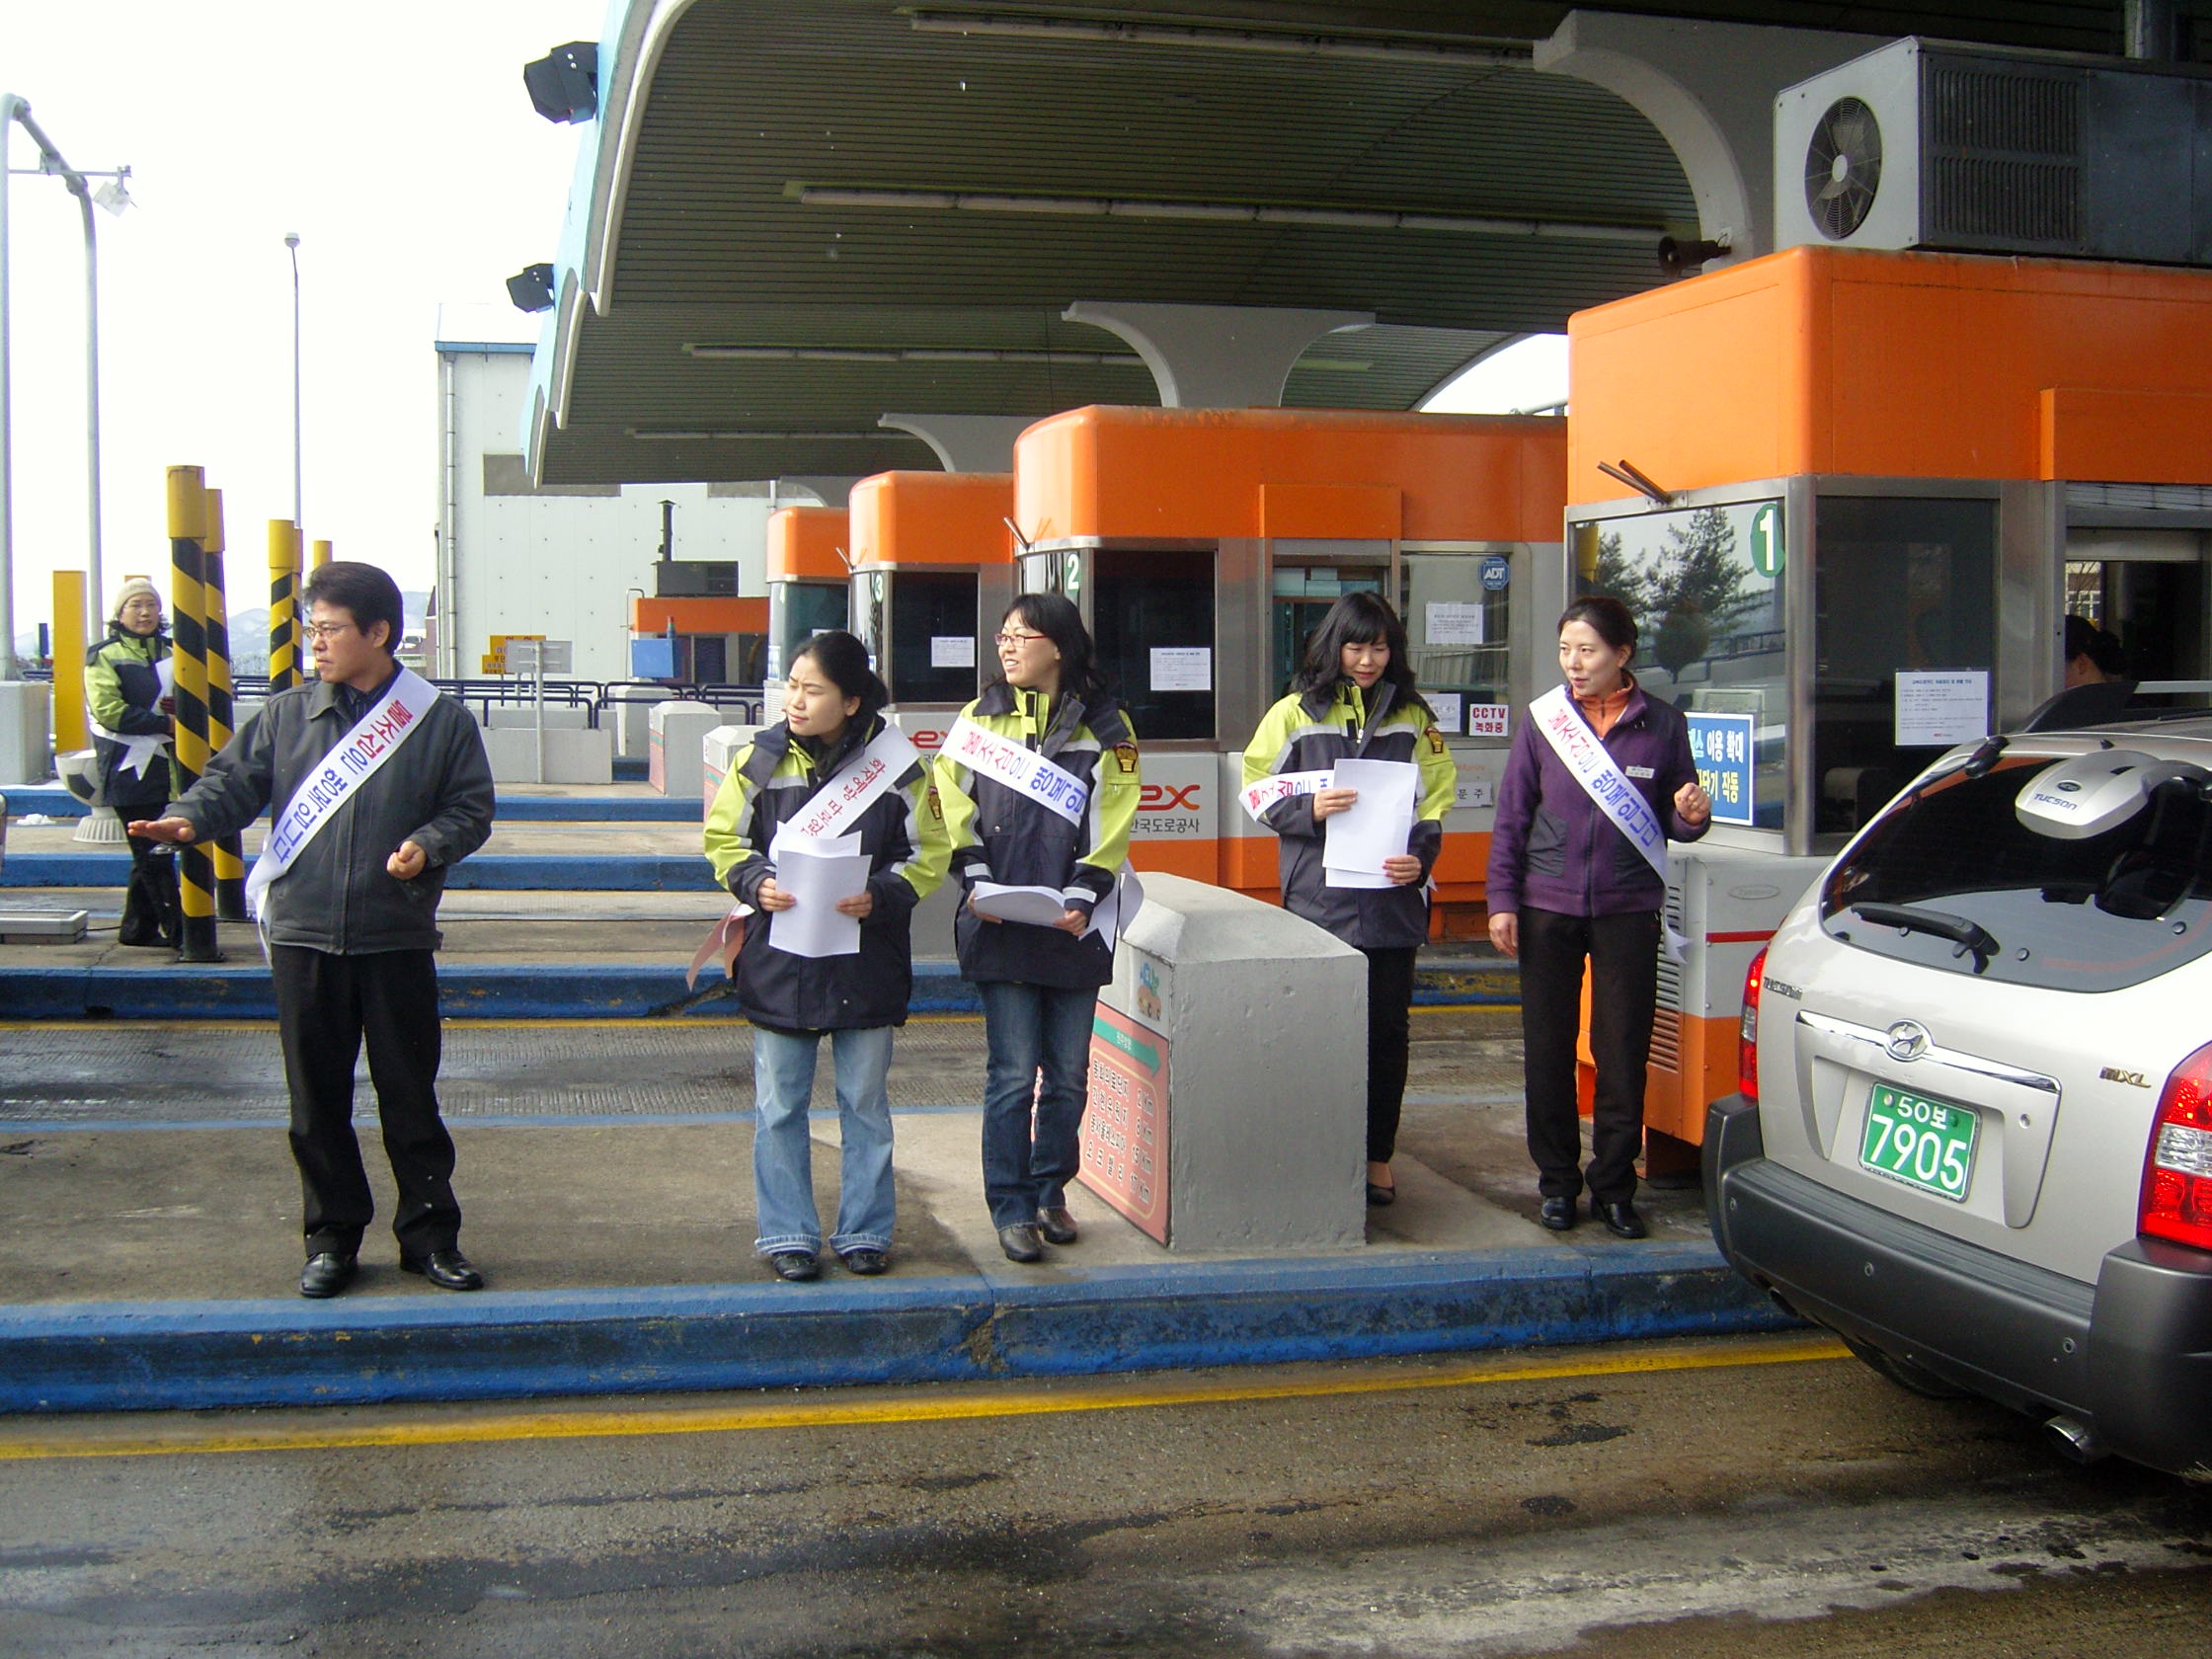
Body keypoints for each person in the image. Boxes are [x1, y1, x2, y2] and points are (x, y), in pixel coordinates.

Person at [131, 561, 495, 1299]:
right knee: (316, 1102)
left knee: (410, 1097)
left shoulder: (440, 721)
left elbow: (470, 808)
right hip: (304, 935)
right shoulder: (288, 714)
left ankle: (430, 1237)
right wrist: (189, 819)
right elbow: (231, 784)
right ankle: (331, 1238)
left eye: (330, 630)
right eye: (312, 630)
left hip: (395, 935)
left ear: (378, 632)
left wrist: (429, 844)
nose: (316, 644)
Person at [703, 630, 949, 1282]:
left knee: (863, 1106)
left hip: (865, 959)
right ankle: (788, 1233)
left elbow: (930, 852)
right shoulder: (758, 759)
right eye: (792, 686)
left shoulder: (900, 767)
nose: (795, 700)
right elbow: (723, 839)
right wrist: (755, 881)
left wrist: (883, 893)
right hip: (779, 960)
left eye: (812, 690)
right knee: (779, 1107)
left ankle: (865, 1231)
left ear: (852, 701)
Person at [1485, 594, 1710, 1240]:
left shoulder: (1663, 724)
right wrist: (1501, 901)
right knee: (1547, 1051)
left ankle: (1614, 1186)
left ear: (1622, 654)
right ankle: (1557, 1184)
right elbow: (1512, 817)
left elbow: (1677, 816)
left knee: (1622, 1050)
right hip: (1546, 906)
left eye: (1587, 651)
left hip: (1627, 908)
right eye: (1566, 650)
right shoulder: (1545, 722)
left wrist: (1691, 817)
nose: (1574, 664)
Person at [935, 593, 1141, 1263]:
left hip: (1075, 924)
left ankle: (1051, 1189)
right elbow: (949, 802)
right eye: (1003, 636)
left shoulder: (1107, 726)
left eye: (1020, 636)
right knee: (1013, 1075)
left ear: (1058, 645)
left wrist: (1086, 890)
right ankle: (1012, 1206)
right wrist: (974, 877)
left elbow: (1115, 814)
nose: (1006, 646)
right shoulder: (980, 717)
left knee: (1071, 1074)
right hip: (999, 921)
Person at [1241, 592, 1456, 1210]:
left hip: (1391, 901)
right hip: (1318, 900)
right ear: (1332, 646)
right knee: (1317, 1034)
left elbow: (1436, 796)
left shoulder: (1413, 717)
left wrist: (1421, 858)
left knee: (1387, 1034)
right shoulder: (1291, 714)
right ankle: (1318, 1151)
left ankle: (1376, 1155)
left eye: (1379, 647)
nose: (1367, 660)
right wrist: (1307, 808)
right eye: (1356, 646)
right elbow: (1255, 788)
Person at [84, 577, 180, 948]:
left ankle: (136, 930)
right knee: (153, 853)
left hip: (171, 767)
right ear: (120, 613)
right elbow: (107, 710)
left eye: (151, 604)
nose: (144, 612)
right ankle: (180, 932)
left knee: (148, 853)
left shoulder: (174, 651)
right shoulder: (104, 655)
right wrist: (163, 723)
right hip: (129, 768)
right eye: (135, 605)